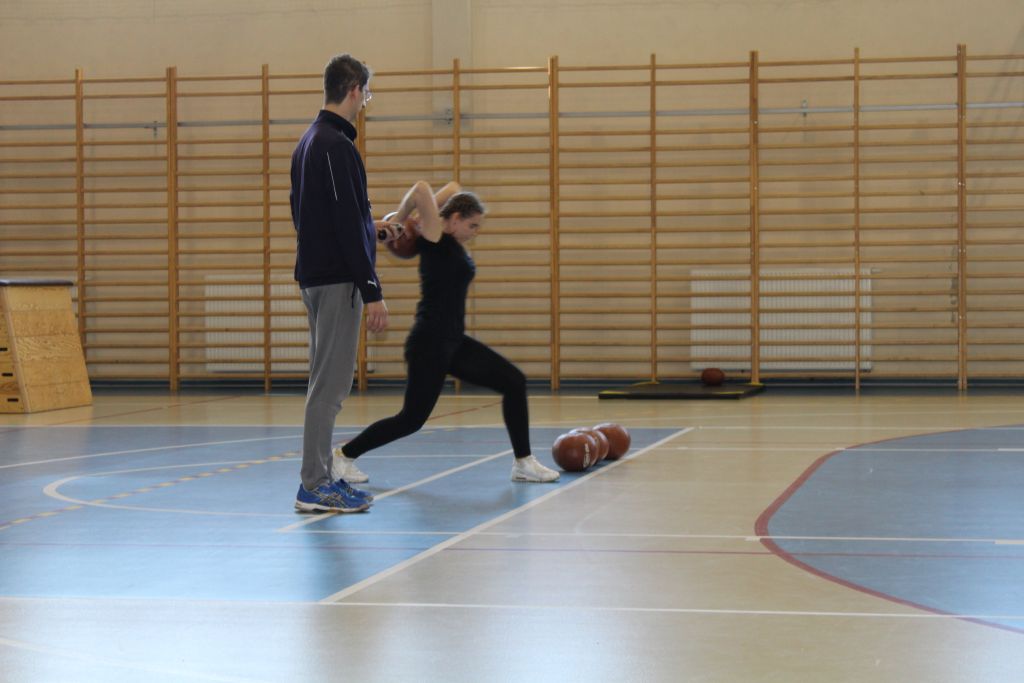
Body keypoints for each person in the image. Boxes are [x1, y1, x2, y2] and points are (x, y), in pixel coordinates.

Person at [332, 180, 561, 485]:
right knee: (411, 420)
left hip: (453, 342)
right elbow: (421, 190)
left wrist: (425, 215)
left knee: (514, 382)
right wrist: (398, 220)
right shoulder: (435, 238)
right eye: (472, 225)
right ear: (454, 220)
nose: (475, 232)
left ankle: (523, 463)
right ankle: (343, 456)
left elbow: (453, 187)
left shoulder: (446, 238)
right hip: (430, 342)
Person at [290, 53, 394, 513]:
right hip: (337, 282)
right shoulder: (335, 146)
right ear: (353, 90)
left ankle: (321, 479)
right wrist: (372, 290)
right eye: (365, 93)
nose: (365, 102)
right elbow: (345, 224)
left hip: (319, 276)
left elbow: (317, 217)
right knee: (330, 388)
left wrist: (374, 229)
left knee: (325, 384)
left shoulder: (308, 143)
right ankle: (314, 485)